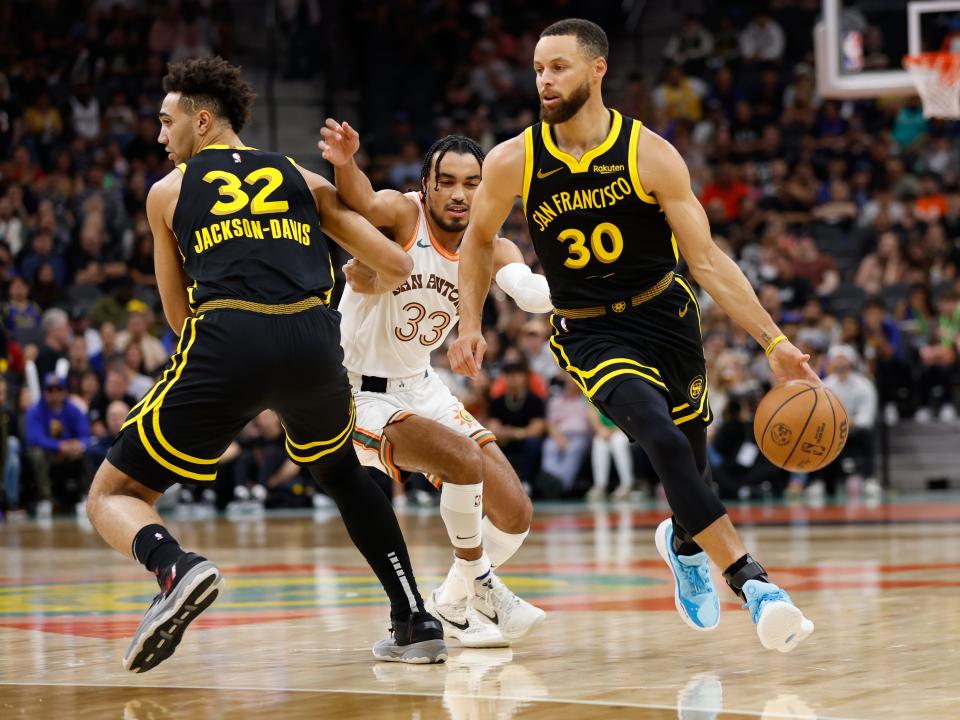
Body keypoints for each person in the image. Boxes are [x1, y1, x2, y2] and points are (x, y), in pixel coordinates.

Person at [450, 18, 815, 653]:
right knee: (661, 439)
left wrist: (773, 342)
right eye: (538, 68)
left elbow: (706, 262)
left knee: (691, 462)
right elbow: (478, 242)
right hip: (590, 331)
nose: (545, 80)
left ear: (597, 69)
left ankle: (683, 544)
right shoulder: (513, 159)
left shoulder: (651, 153)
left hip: (666, 317)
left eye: (559, 66)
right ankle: (755, 585)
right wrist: (471, 322)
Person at [84, 56, 446, 673]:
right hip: (311, 339)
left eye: (166, 122)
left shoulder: (166, 193)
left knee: (111, 492)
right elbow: (396, 264)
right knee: (340, 472)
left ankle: (176, 568)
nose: (159, 135)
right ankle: (414, 618)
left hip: (228, 333)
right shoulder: (303, 179)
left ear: (202, 122)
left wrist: (240, 368)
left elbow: (178, 318)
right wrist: (344, 281)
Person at [318, 124, 548, 646]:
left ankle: (453, 597)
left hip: (421, 385)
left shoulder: (489, 243)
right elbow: (359, 199)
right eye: (447, 182)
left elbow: (529, 291)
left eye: (472, 183)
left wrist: (577, 289)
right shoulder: (405, 216)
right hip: (357, 390)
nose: (460, 194)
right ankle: (484, 584)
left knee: (514, 514)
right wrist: (347, 161)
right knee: (462, 460)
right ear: (425, 185)